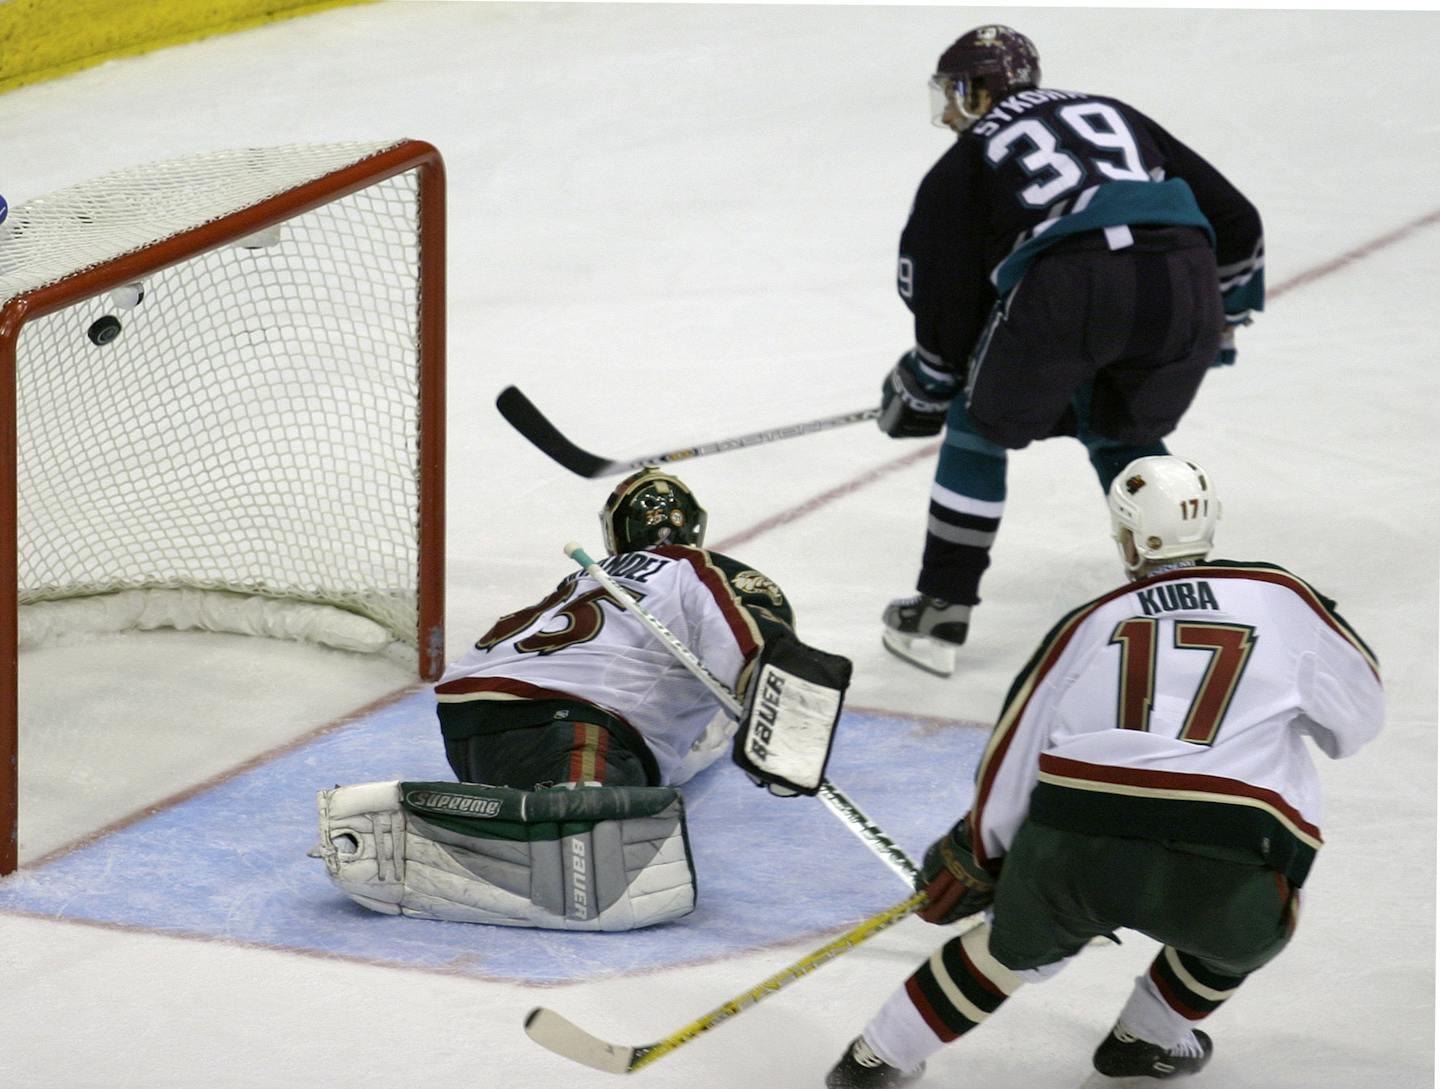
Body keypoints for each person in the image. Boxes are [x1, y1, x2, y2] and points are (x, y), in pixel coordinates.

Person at [826, 456, 1383, 1087]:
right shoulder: (1283, 598)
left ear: (1128, 538)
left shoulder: (1087, 624)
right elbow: (1358, 722)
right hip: (1229, 850)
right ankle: (1144, 1040)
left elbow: (1014, 754)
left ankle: (875, 1059)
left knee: (1004, 949)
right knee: (1250, 925)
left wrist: (982, 852)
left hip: (1078, 839)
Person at [878, 25, 1265, 677]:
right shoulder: (1112, 111)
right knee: (1122, 430)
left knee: (976, 425)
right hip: (1184, 278)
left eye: (954, 94)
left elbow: (942, 283)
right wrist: (1222, 315)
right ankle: (1183, 610)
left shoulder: (968, 157)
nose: (948, 113)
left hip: (1072, 281)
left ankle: (940, 612)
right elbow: (1235, 215)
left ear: (977, 91)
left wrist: (930, 380)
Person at [310, 467, 849, 931]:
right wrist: (782, 726)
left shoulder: (583, 580)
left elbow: (684, 743)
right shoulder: (695, 567)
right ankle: (530, 820)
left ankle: (511, 818)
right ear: (695, 526)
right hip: (572, 722)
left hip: (470, 723)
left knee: (636, 787)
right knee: (593, 850)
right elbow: (756, 639)